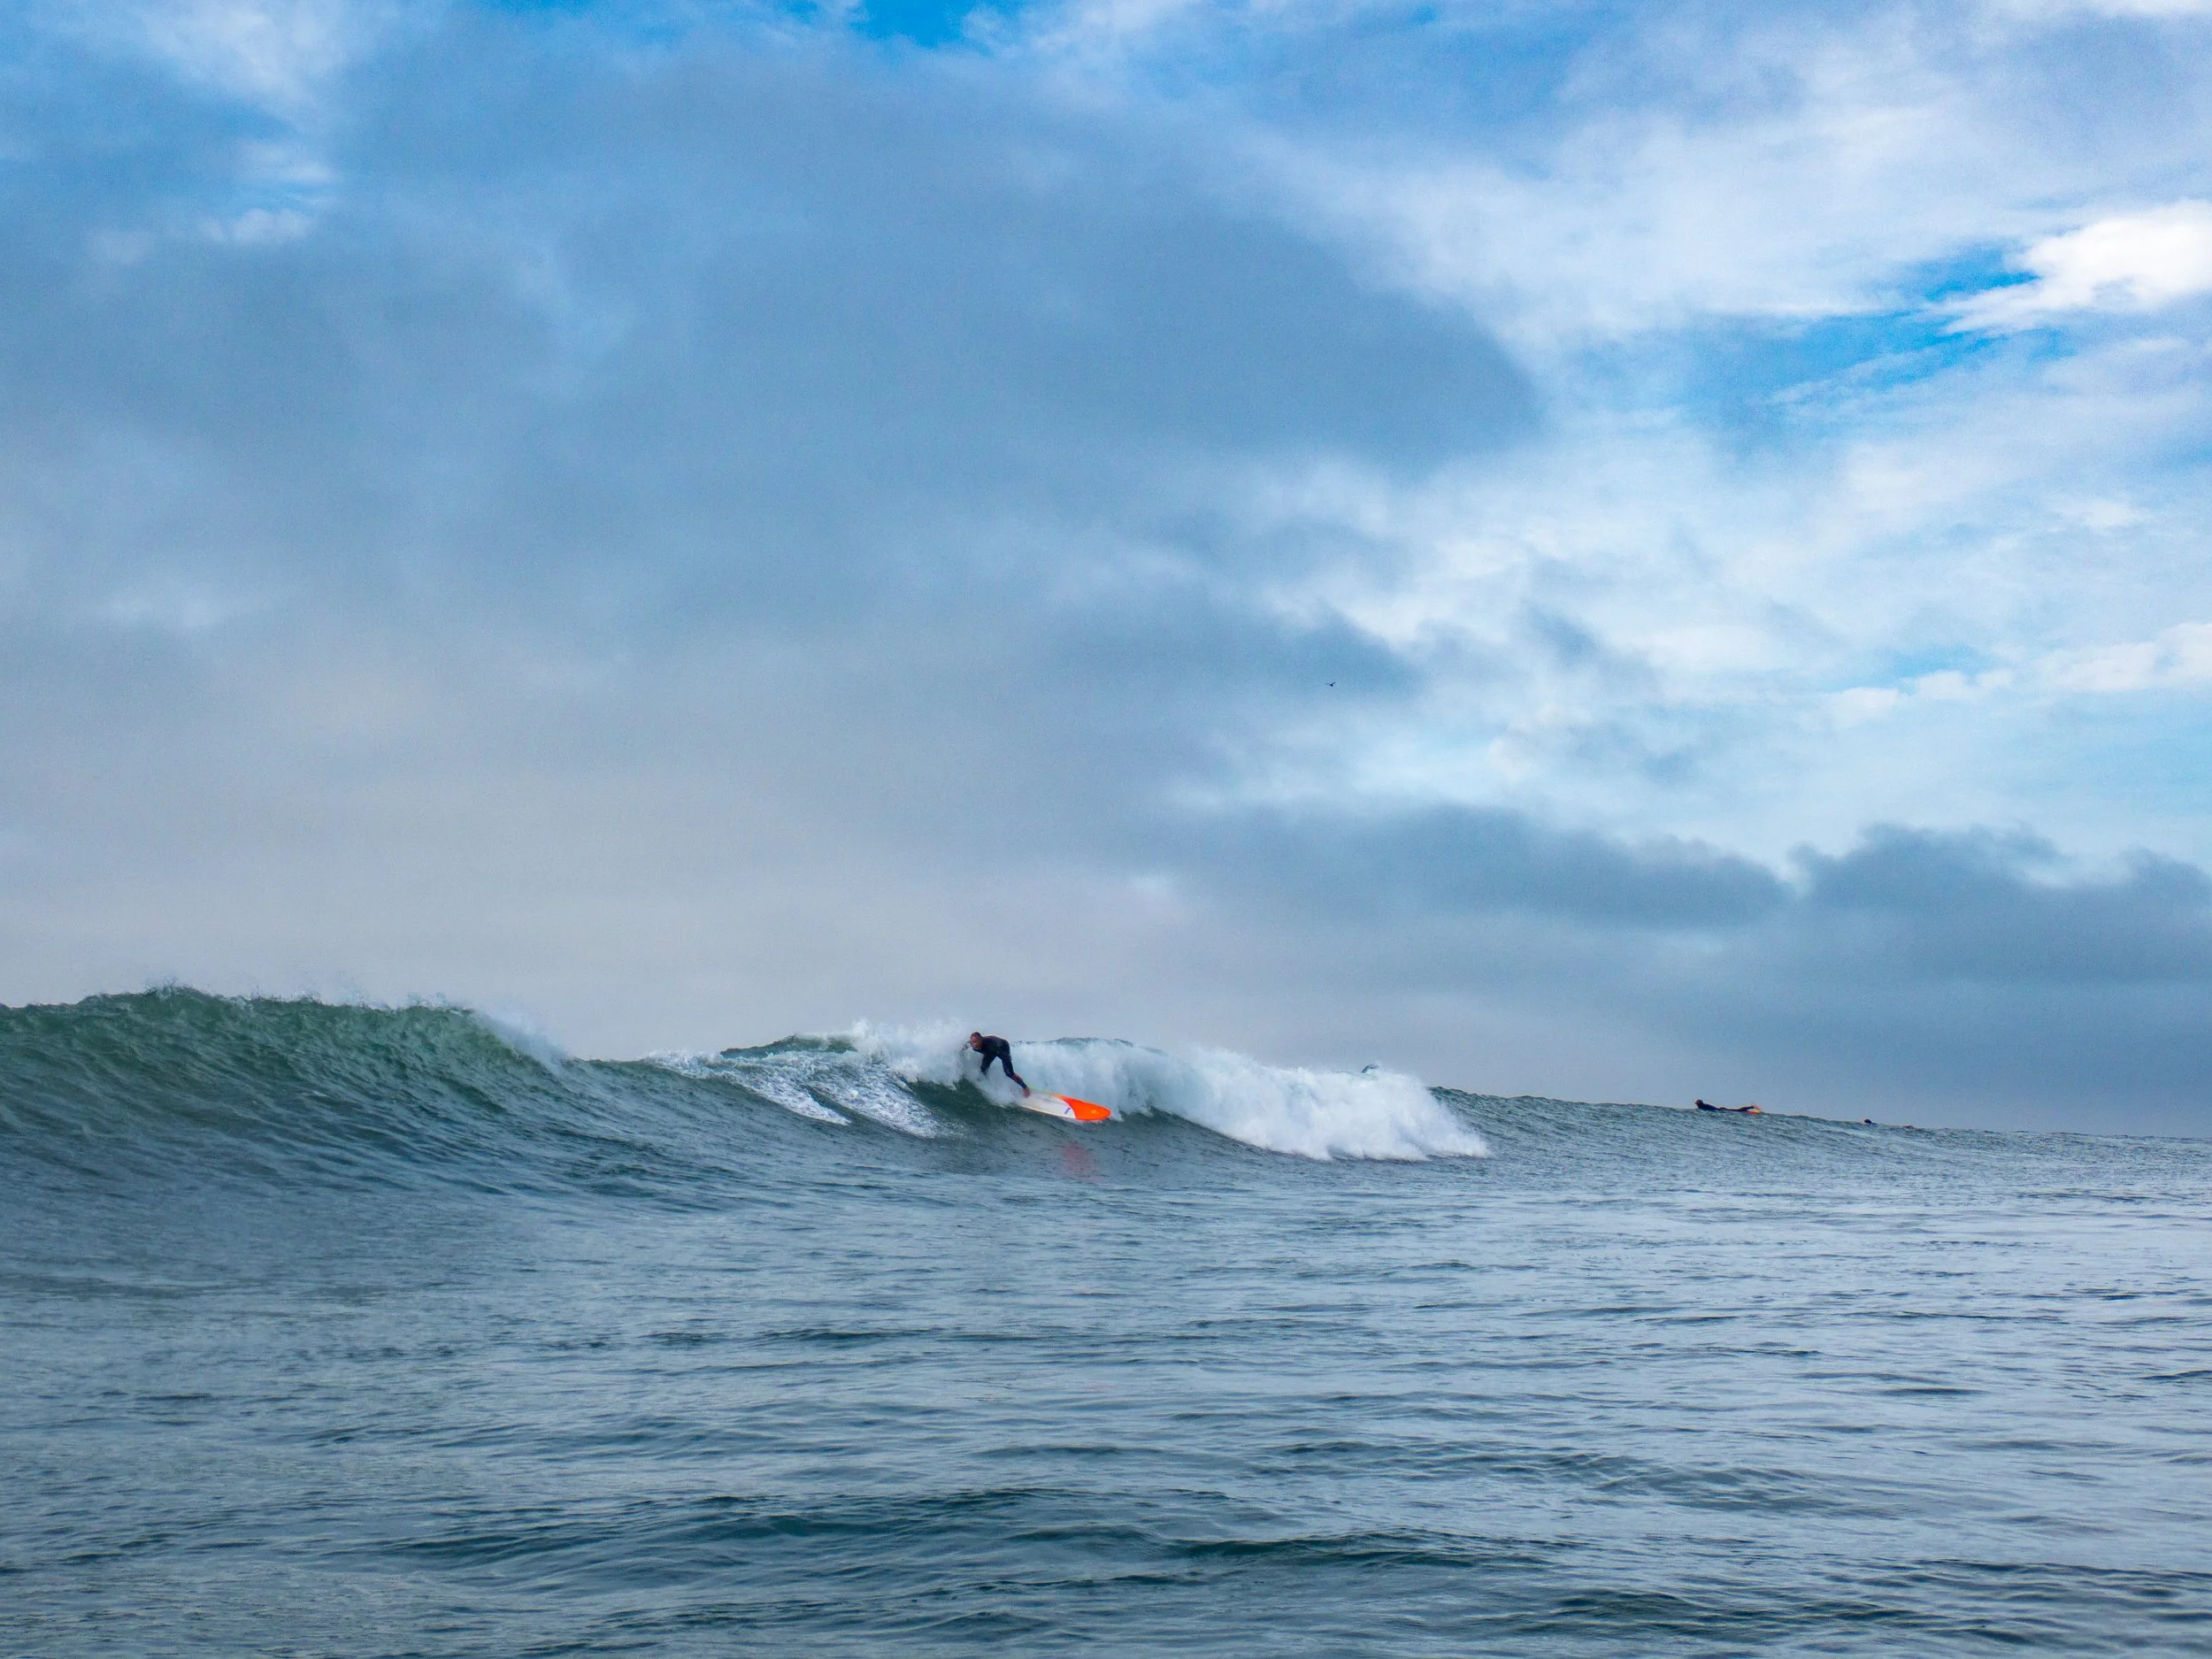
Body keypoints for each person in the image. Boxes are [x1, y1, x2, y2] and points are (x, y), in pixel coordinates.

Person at [968, 1032, 1028, 1096]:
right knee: (983, 1070)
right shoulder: (969, 1044)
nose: (975, 1044)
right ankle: (986, 1084)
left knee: (1009, 1073)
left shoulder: (991, 1047)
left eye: (976, 1042)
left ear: (981, 1040)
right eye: (973, 1042)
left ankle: (1025, 1088)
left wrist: (1008, 1061)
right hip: (990, 1049)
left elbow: (1005, 1057)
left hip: (1003, 1047)